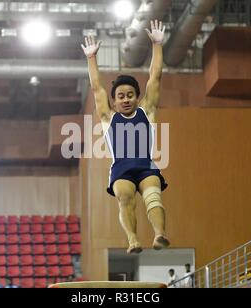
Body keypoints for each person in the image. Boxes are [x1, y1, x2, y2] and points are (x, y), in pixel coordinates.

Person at [81, 20, 170, 254]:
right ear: (114, 100)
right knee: (124, 196)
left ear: (138, 97)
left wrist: (157, 45)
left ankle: (160, 234)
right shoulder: (108, 117)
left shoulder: (146, 111)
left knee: (153, 195)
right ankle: (132, 239)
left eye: (130, 95)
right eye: (120, 96)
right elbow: (96, 88)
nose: (126, 99)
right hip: (121, 169)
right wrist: (91, 58)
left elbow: (155, 76)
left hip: (146, 166)